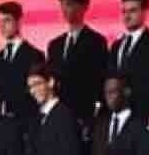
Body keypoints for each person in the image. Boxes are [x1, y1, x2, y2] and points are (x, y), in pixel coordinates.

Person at [23, 65, 82, 155]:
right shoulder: (36, 118)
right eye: (30, 87)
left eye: (37, 84)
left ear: (51, 82)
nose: (33, 91)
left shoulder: (65, 116)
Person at [46, 0, 109, 128]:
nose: (65, 9)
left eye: (69, 4)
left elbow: (99, 80)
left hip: (84, 116)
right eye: (62, 4)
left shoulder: (97, 42)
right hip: (58, 116)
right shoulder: (55, 45)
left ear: (84, 6)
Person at [109, 0, 149, 117]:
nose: (127, 16)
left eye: (132, 11)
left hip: (145, 115)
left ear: (145, 12)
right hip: (118, 117)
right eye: (124, 11)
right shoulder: (116, 46)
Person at [90, 75, 144, 155]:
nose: (109, 97)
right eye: (106, 93)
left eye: (113, 91)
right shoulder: (101, 124)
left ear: (126, 92)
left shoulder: (139, 126)